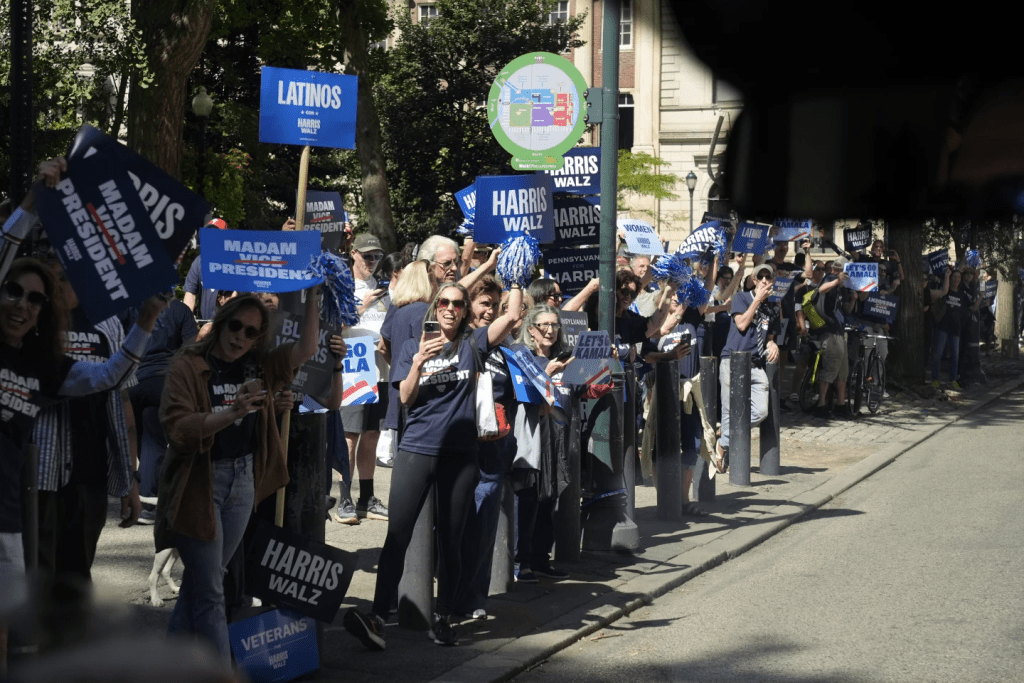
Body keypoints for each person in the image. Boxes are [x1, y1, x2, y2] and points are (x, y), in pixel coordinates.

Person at [344, 280, 523, 649]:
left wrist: (515, 277)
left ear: (464, 311)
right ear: (434, 306)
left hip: (459, 455)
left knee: (451, 540)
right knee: (398, 535)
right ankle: (378, 616)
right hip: (417, 450)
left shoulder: (472, 344)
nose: (450, 309)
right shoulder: (412, 345)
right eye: (444, 302)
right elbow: (406, 397)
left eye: (458, 304)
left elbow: (513, 315)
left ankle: (443, 619)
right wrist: (420, 363)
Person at [156, 287, 320, 659]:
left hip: (243, 481)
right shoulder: (188, 364)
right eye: (234, 327)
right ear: (219, 324)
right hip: (199, 483)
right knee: (212, 590)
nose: (240, 338)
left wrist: (314, 296)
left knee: (203, 583)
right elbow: (178, 427)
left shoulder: (258, 363)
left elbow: (305, 350)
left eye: (251, 333)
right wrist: (232, 412)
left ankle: (164, 666)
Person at [453, 276, 517, 618]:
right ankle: (449, 596)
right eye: (484, 303)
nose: (490, 310)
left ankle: (475, 600)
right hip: (460, 447)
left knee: (484, 526)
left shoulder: (506, 349)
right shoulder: (460, 341)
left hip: (493, 451)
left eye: (495, 304)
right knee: (453, 526)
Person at [340, 233, 390, 523]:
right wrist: (362, 305)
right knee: (350, 436)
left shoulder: (385, 290)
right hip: (353, 371)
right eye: (367, 255)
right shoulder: (344, 287)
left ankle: (366, 498)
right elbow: (335, 325)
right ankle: (344, 498)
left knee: (372, 435)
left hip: (380, 370)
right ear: (354, 254)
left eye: (377, 257)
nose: (372, 261)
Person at [715, 262, 781, 472]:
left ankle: (723, 443)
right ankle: (727, 460)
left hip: (755, 363)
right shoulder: (741, 298)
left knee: (761, 410)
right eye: (760, 277)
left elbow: (769, 336)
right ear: (753, 280)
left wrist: (772, 343)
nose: (763, 281)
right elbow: (742, 324)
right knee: (728, 410)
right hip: (732, 360)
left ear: (772, 281)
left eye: (767, 278)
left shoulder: (774, 308)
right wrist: (757, 301)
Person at [808, 258, 854, 419]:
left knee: (842, 373)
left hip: (840, 332)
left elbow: (846, 310)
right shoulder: (830, 278)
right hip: (830, 333)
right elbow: (821, 290)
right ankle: (821, 405)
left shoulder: (841, 288)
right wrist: (837, 281)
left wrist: (853, 298)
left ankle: (841, 405)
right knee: (830, 369)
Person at [929, 266, 972, 389]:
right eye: (954, 277)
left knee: (955, 356)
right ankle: (935, 378)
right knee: (937, 354)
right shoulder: (945, 291)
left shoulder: (963, 295)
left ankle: (953, 379)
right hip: (942, 326)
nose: (956, 279)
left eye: (958, 277)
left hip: (956, 328)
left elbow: (970, 308)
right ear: (951, 278)